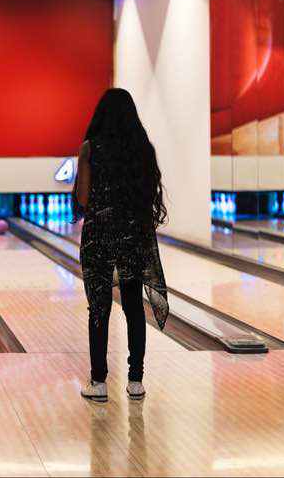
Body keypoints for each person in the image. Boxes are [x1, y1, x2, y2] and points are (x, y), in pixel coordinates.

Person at [73, 88, 169, 403]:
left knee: (98, 308)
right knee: (132, 307)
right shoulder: (143, 149)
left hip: (99, 236)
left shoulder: (90, 149)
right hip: (133, 235)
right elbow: (148, 197)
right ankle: (136, 380)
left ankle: (98, 382)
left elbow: (84, 199)